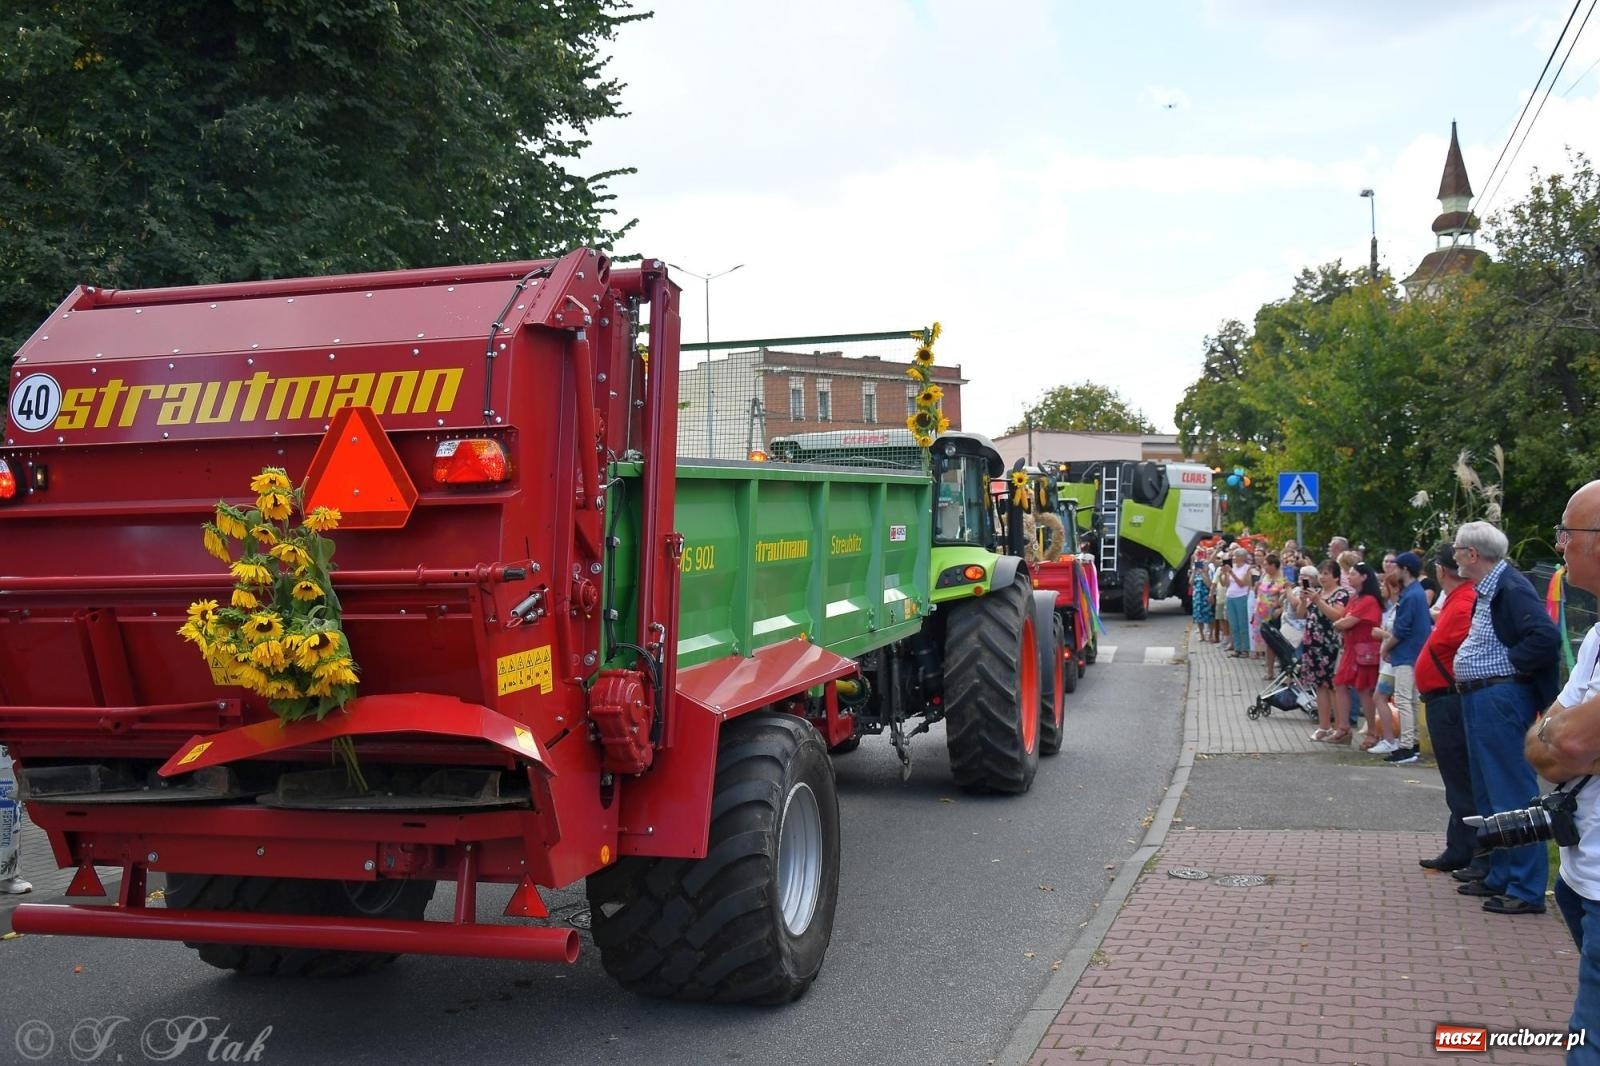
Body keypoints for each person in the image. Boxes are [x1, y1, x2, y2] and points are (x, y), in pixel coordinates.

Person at [1524, 482, 1600, 1060]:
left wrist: (1562, 734)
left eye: (1565, 535)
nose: (1559, 547)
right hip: (1580, 873)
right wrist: (1561, 736)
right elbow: (1544, 746)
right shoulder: (1597, 637)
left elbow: (1567, 738)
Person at [1452, 520, 1562, 916]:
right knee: (1490, 792)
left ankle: (1526, 886)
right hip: (1486, 695)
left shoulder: (1510, 588)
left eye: (1458, 547)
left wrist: (1505, 666)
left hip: (1498, 696)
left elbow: (1544, 639)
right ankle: (1501, 873)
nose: (1454, 554)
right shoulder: (1492, 587)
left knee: (1509, 793)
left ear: (1472, 554)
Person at [1415, 544, 1484, 876]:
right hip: (1444, 698)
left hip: (1449, 700)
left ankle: (1469, 850)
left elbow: (1463, 648)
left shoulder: (1463, 601)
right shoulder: (1460, 600)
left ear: (1442, 571)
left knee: (1460, 778)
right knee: (1456, 778)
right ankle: (1460, 847)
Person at [1375, 551, 1433, 765]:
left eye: (1397, 567)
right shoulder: (1417, 592)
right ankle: (1414, 741)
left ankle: (1406, 746)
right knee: (1413, 700)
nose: (1394, 571)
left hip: (1406, 654)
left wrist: (1385, 648)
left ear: (1405, 570)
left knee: (1403, 700)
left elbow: (1401, 629)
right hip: (1416, 653)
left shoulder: (1410, 595)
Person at [1334, 562, 1385, 751]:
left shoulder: (1369, 600)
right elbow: (1344, 618)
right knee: (1340, 683)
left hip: (1364, 650)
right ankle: (1343, 727)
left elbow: (1347, 621)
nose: (1349, 577)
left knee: (1365, 690)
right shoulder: (1355, 597)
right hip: (1351, 648)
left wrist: (1339, 623)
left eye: (1353, 574)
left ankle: (1372, 732)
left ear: (1364, 577)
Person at [1302, 558, 1352, 743]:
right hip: (1313, 644)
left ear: (1336, 577)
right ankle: (1324, 726)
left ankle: (1341, 728)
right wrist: (1303, 599)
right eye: (1320, 573)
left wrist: (1318, 600)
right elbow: (1301, 613)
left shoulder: (1341, 594)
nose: (1322, 577)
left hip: (1331, 644)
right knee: (1320, 686)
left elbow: (1337, 615)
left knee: (1334, 687)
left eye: (1326, 574)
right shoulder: (1318, 592)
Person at [1253, 553, 1289, 679]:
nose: (1264, 567)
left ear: (1274, 565)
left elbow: (1285, 598)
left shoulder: (1282, 579)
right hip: (1261, 613)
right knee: (1266, 641)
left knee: (1273, 643)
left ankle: (1279, 669)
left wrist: (1281, 608)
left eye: (1266, 565)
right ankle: (1269, 671)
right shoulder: (1265, 576)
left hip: (1273, 614)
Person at [1222, 546, 1253, 657]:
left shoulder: (1247, 568)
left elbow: (1242, 583)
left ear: (1242, 557)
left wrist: (1232, 573)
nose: (1234, 558)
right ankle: (1237, 647)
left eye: (1236, 556)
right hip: (1230, 596)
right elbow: (1226, 584)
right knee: (1233, 624)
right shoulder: (1232, 567)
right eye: (1233, 556)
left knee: (1242, 623)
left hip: (1241, 597)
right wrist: (1225, 573)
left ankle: (1245, 648)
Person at [1190, 547, 1216, 642]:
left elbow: (1209, 584)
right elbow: (1191, 583)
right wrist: (1193, 572)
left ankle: (1211, 634)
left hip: (1206, 594)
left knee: (1209, 615)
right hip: (1197, 595)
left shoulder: (1207, 566)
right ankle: (1201, 634)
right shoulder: (1195, 568)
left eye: (1200, 553)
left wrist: (1203, 573)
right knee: (1198, 616)